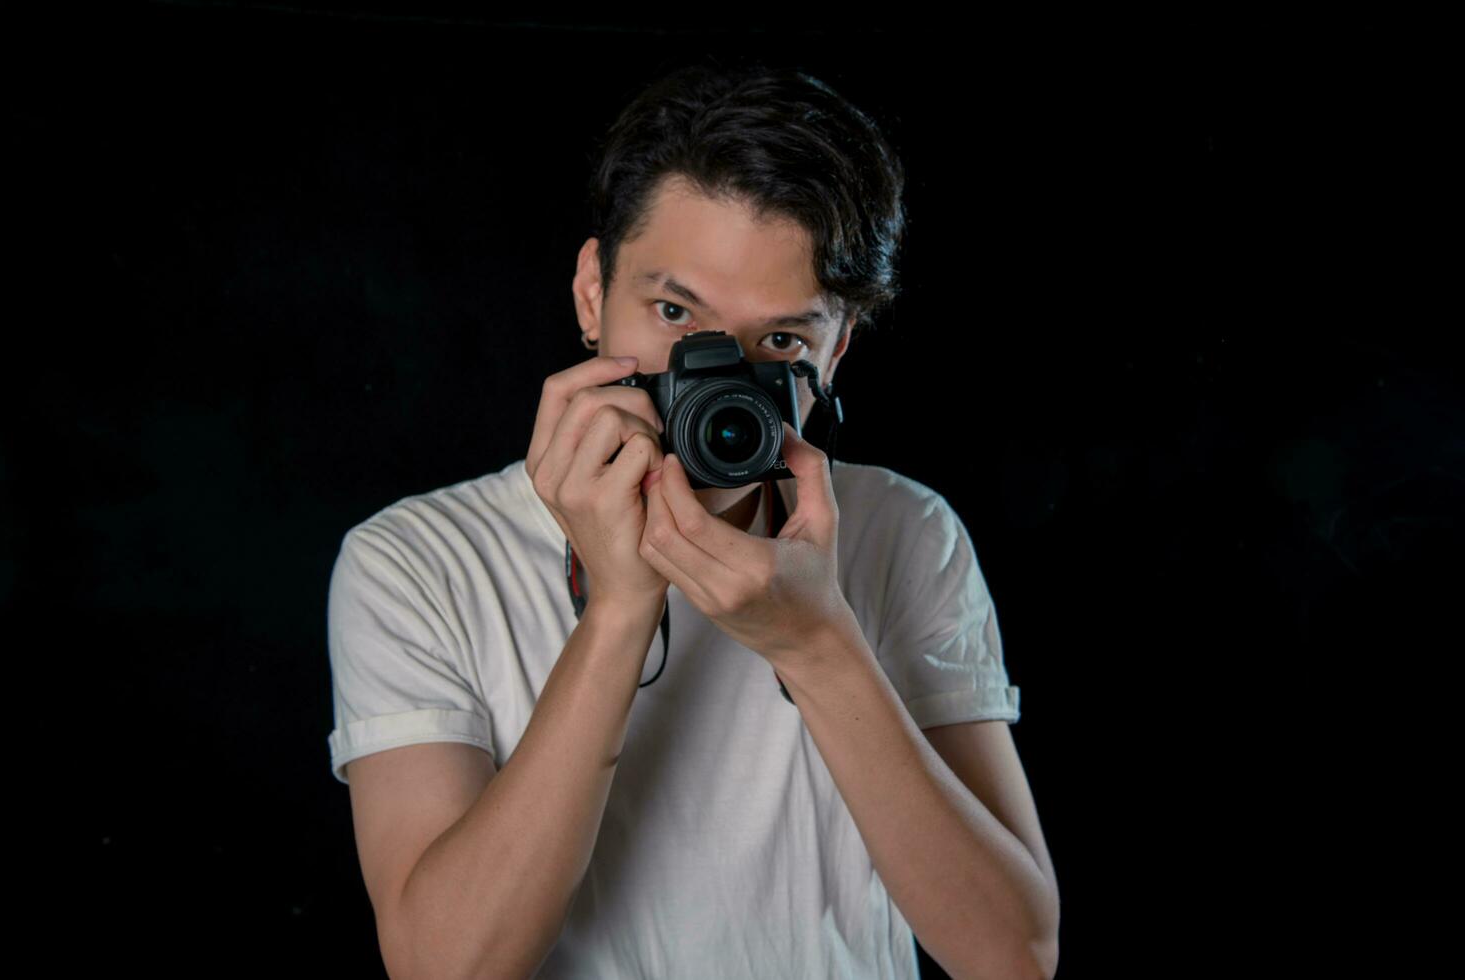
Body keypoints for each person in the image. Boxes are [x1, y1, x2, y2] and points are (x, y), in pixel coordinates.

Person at [326, 59, 1059, 980]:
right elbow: (447, 967)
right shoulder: (418, 563)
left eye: (781, 341)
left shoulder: (904, 533)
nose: (715, 377)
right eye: (675, 312)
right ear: (594, 293)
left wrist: (819, 644)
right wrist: (618, 608)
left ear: (837, 351)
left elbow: (1015, 957)